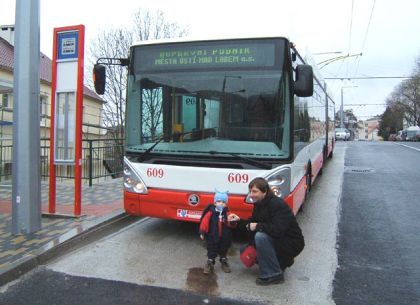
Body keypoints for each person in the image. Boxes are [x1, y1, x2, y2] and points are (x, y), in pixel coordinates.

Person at [245, 177, 305, 285]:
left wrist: (258, 226)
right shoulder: (259, 203)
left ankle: (273, 274)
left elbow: (278, 230)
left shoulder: (277, 204)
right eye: (250, 191)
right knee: (245, 250)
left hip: (292, 242)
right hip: (279, 238)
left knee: (260, 237)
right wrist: (237, 221)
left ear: (265, 192)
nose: (251, 195)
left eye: (254, 191)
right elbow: (252, 222)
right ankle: (283, 261)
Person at [199, 190, 240, 274]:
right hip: (212, 236)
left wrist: (232, 222)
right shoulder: (210, 213)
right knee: (211, 250)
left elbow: (231, 225)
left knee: (223, 250)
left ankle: (223, 261)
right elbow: (204, 223)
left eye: (223, 202)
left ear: (226, 204)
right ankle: (210, 263)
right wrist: (202, 232)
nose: (221, 203)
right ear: (215, 203)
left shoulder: (227, 213)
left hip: (224, 237)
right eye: (218, 201)